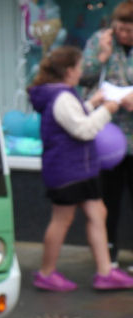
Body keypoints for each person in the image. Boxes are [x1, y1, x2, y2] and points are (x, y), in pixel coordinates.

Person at [27, 46, 133, 292]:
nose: (81, 71)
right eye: (79, 66)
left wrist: (93, 102)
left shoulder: (63, 95)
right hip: (67, 170)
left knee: (98, 213)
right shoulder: (61, 97)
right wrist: (107, 109)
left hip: (80, 167)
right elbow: (83, 129)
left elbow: (73, 117)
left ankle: (105, 272)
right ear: (68, 70)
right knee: (62, 220)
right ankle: (46, 272)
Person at [81, 0, 133, 267]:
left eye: (129, 30)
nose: (123, 35)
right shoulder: (100, 40)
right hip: (108, 139)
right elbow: (82, 78)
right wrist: (100, 56)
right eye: (120, 29)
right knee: (108, 198)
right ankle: (108, 254)